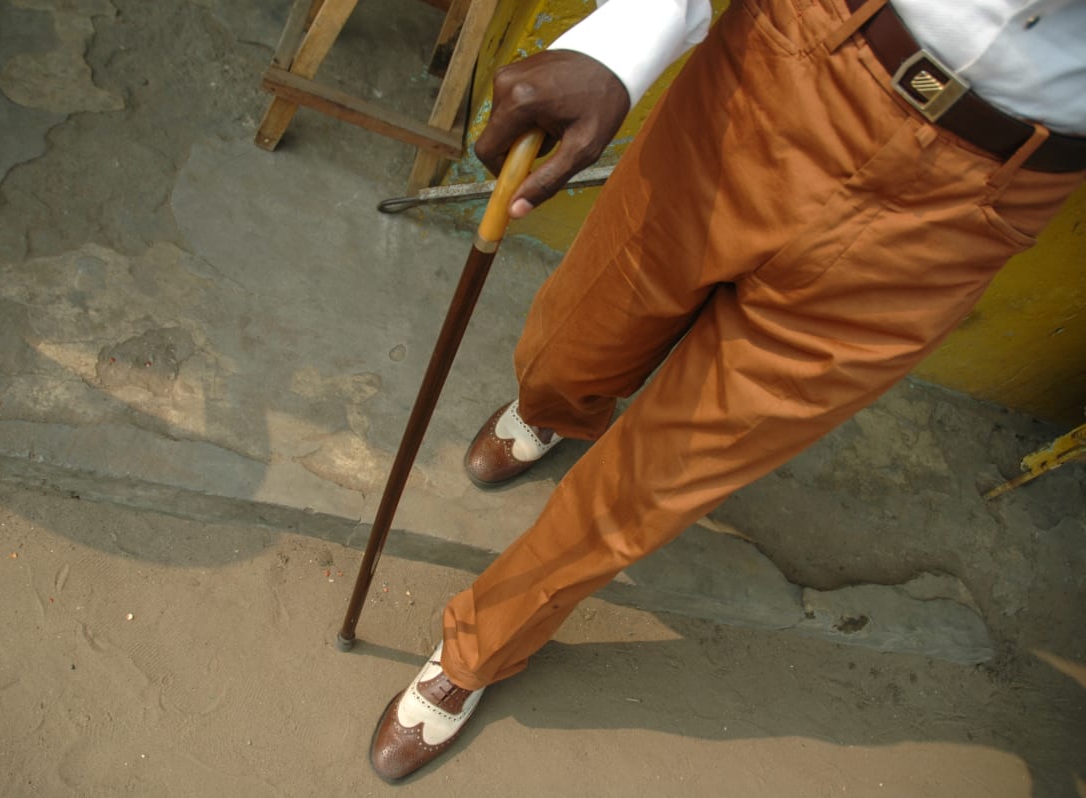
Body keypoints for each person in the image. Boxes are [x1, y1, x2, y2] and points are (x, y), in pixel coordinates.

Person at [368, 0, 1086, 781]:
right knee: (571, 341)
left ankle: (481, 646)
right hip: (792, 67)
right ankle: (553, 412)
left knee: (666, 476)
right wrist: (627, 39)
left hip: (974, 200)